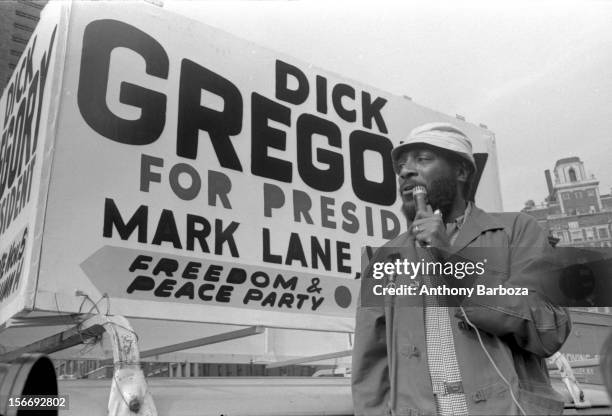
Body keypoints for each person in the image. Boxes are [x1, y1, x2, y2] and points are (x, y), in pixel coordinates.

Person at [351, 122, 571, 416]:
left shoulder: (517, 230)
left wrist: (450, 258)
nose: (405, 171)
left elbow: (551, 329)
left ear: (461, 171)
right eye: (402, 165)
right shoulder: (385, 258)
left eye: (423, 159)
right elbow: (371, 366)